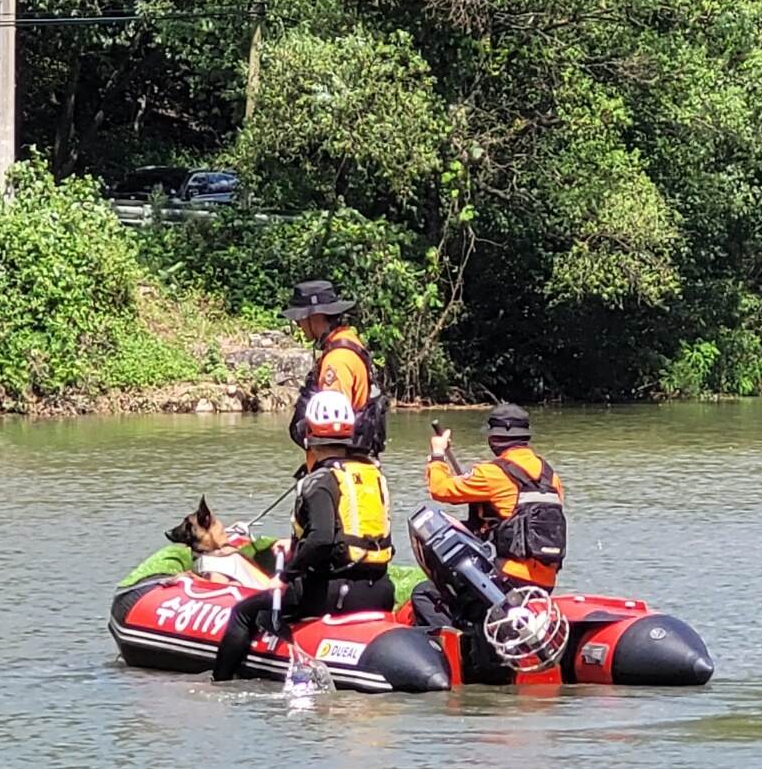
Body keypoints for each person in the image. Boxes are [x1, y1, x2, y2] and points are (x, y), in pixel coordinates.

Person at [213, 390, 396, 681]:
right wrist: (297, 543)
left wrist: (284, 577)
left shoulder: (320, 480)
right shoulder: (371, 473)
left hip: (332, 592)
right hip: (380, 591)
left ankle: (218, 684)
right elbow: (352, 528)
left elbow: (323, 539)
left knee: (244, 613)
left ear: (309, 435)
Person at [411, 403, 567, 629]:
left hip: (507, 582)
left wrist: (437, 454)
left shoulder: (492, 473)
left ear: (493, 439)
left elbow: (440, 489)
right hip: (544, 585)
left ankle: (458, 649)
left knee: (425, 594)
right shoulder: (551, 477)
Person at [284, 279, 388, 463]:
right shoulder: (347, 343)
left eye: (300, 318)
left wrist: (326, 472)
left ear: (315, 317)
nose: (298, 324)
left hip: (338, 467)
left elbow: (332, 428)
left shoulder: (337, 360)